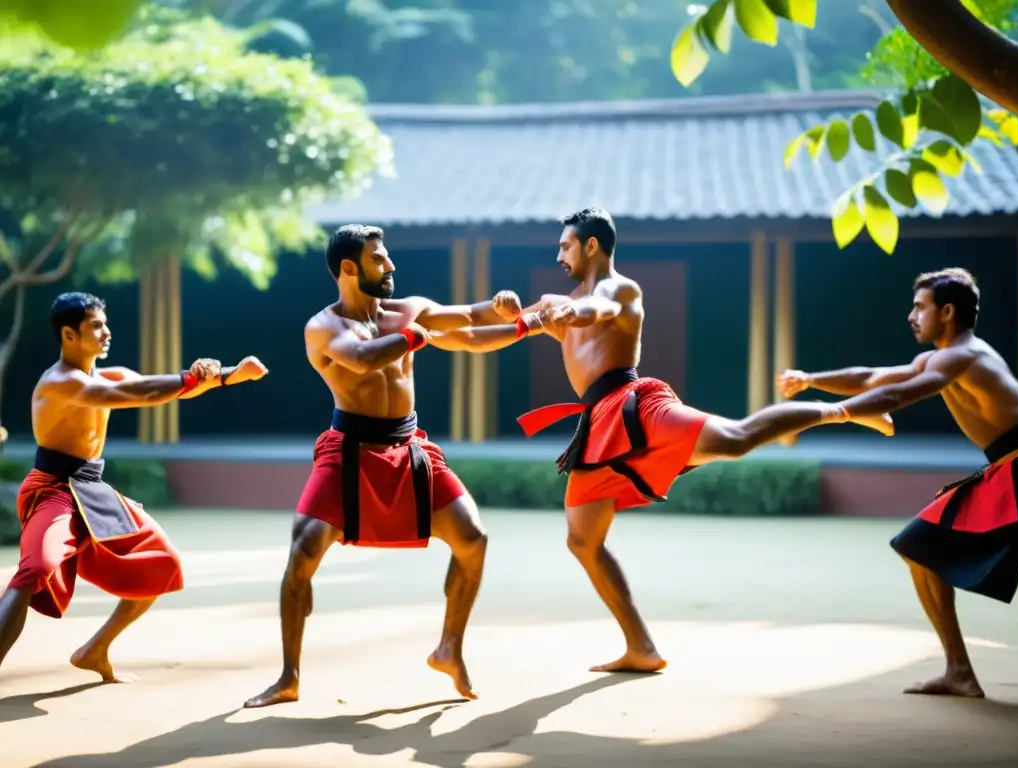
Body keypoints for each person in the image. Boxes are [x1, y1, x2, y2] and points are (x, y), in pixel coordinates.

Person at [496, 207, 893, 674]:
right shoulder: (553, 303)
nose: (558, 254)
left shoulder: (619, 289)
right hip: (597, 426)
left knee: (737, 439)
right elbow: (492, 331)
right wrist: (500, 313)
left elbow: (597, 307)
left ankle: (848, 410)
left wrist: (572, 310)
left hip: (635, 406)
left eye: (565, 245)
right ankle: (641, 647)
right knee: (583, 541)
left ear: (591, 246)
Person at [243, 224, 535, 709]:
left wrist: (513, 313)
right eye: (379, 259)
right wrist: (414, 336)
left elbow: (470, 325)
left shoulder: (408, 311)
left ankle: (449, 649)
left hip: (408, 445)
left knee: (472, 539)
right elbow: (360, 360)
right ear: (349, 269)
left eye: (388, 256)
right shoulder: (324, 326)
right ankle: (289, 676)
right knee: (303, 553)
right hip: (348, 447)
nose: (391, 266)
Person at [778, 267, 1018, 699]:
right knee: (918, 547)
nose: (911, 316)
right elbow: (872, 378)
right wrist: (812, 380)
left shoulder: (963, 356)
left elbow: (896, 398)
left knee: (919, 544)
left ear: (946, 312)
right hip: (1008, 466)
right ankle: (959, 672)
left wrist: (830, 415)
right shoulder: (941, 357)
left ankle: (958, 671)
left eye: (919, 307)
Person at [0, 292, 268, 682]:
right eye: (96, 326)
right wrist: (193, 377)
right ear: (69, 335)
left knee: (162, 563)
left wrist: (226, 375)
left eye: (105, 323)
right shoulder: (59, 383)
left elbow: (156, 386)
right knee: (35, 569)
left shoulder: (110, 374)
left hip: (91, 489)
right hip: (53, 489)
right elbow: (133, 396)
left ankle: (95, 649)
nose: (107, 332)